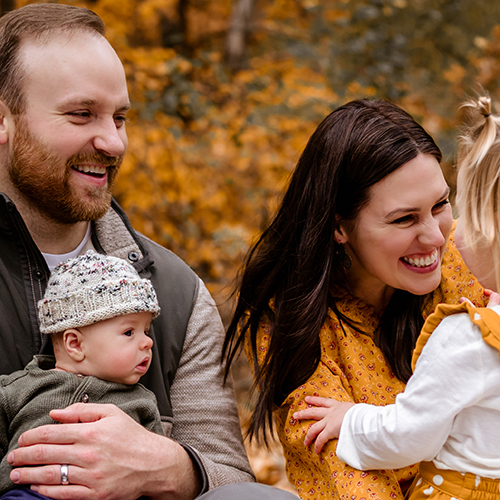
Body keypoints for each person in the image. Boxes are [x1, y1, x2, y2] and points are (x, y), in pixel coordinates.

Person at [0, 3, 298, 500]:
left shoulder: (174, 291)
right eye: (81, 114)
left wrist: (166, 464)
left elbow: (228, 473)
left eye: (119, 118)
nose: (114, 142)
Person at [223, 98, 487, 500]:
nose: (436, 236)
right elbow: (345, 476)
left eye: (440, 205)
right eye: (404, 218)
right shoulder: (296, 327)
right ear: (339, 227)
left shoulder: (471, 260)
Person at [1, 250, 164, 498]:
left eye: (146, 331)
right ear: (75, 345)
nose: (147, 343)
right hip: (27, 492)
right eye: (130, 332)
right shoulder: (19, 389)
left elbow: (155, 471)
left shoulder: (141, 403)